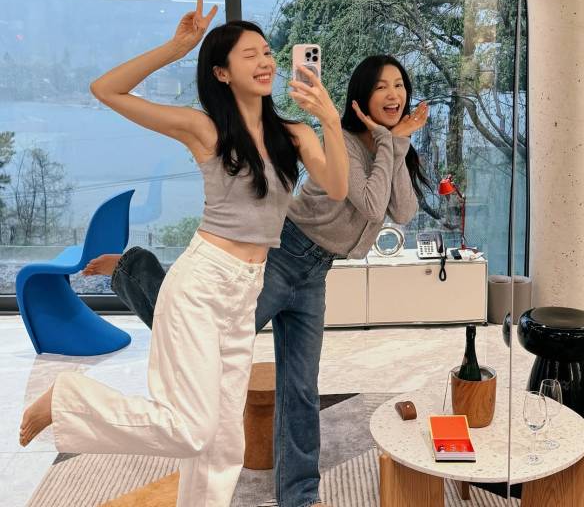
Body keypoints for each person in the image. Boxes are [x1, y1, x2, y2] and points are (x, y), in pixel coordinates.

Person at [19, 0, 349, 507]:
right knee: (192, 429)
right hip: (201, 284)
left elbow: (338, 187)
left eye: (267, 52)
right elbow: (106, 89)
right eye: (250, 55)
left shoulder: (295, 133)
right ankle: (69, 398)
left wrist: (328, 118)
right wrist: (177, 48)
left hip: (247, 290)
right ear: (222, 72)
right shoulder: (205, 129)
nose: (265, 61)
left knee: (223, 445)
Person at [81, 54, 430, 507]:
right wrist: (391, 142)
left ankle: (300, 497)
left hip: (316, 273)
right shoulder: (343, 140)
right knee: (195, 335)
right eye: (382, 86)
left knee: (301, 386)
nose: (394, 95)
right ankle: (132, 268)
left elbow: (402, 210)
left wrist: (397, 144)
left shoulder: (391, 147)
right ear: (361, 97)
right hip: (283, 254)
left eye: (399, 85)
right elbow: (370, 202)